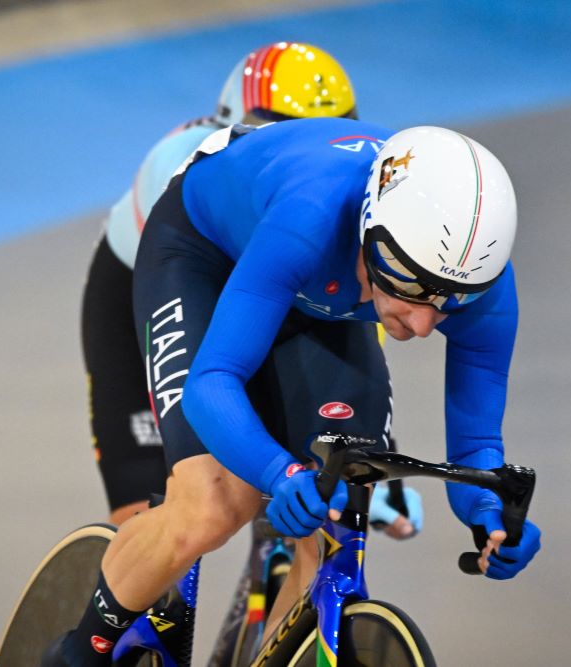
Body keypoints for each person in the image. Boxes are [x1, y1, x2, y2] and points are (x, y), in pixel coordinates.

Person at [47, 118, 543, 667]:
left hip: (322, 290)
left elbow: (474, 447)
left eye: (452, 301)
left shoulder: (482, 287)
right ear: (371, 232)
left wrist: (488, 514)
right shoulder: (310, 219)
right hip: (205, 253)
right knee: (214, 504)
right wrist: (278, 474)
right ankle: (79, 650)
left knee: (336, 512)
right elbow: (211, 385)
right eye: (411, 287)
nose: (424, 324)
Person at [81, 41, 420, 536]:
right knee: (171, 506)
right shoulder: (184, 160)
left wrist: (371, 449)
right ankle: (121, 609)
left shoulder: (337, 183)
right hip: (151, 296)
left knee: (315, 495)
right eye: (277, 128)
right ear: (231, 122)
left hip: (261, 297)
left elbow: (359, 321)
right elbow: (202, 312)